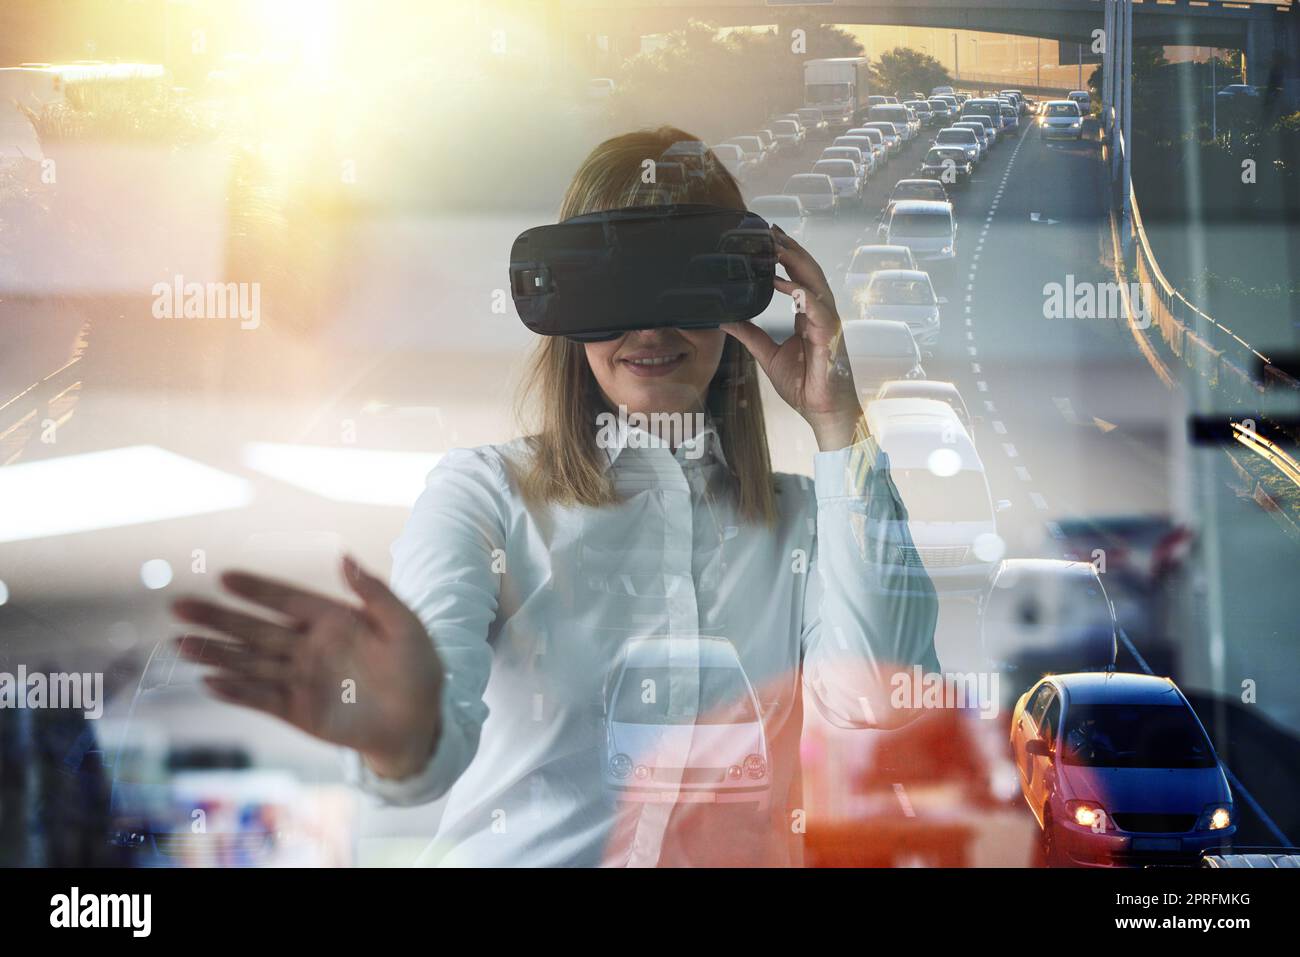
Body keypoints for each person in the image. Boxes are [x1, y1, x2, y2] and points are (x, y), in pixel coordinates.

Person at [170, 126, 940, 867]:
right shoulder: (483, 498)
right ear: (569, 305)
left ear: (730, 290)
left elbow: (876, 703)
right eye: (612, 285)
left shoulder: (806, 523)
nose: (648, 324)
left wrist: (840, 423)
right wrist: (404, 731)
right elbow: (434, 718)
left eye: (678, 278)